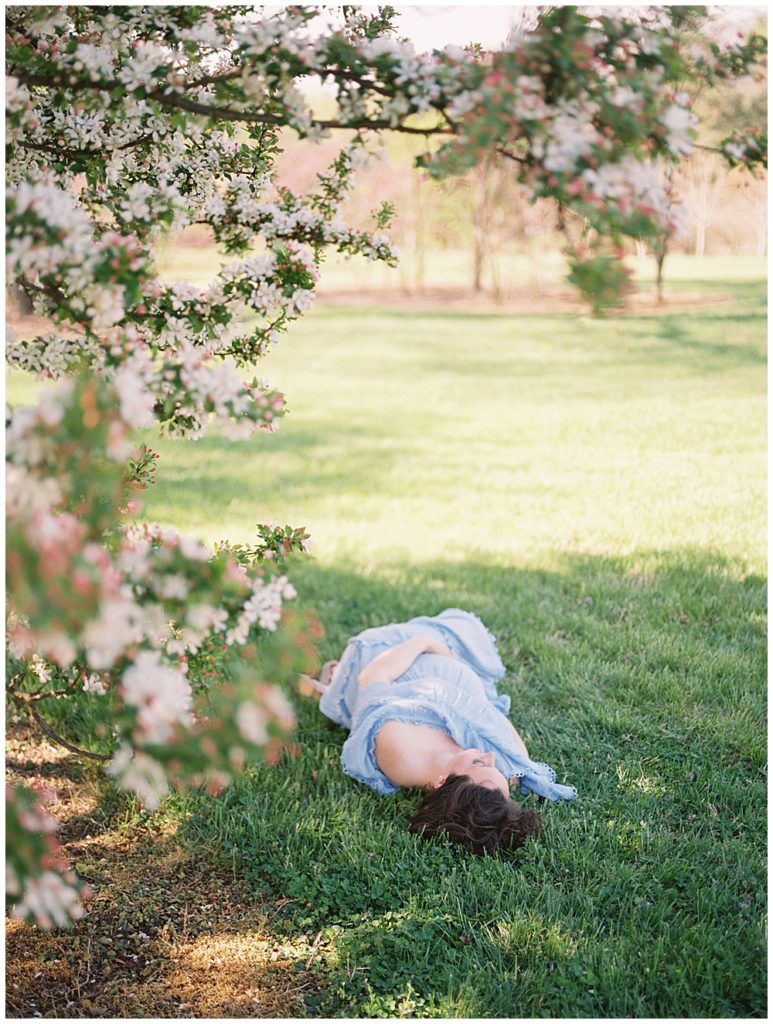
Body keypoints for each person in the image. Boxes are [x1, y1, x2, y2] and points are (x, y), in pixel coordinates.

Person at [299, 608, 576, 855]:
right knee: (463, 628)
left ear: (441, 781)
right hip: (445, 666)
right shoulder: (492, 773)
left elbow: (373, 678)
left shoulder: (402, 752)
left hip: (390, 659)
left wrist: (426, 643)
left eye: (479, 762)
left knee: (439, 635)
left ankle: (335, 685)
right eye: (499, 775)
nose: (491, 756)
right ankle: (334, 684)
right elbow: (494, 718)